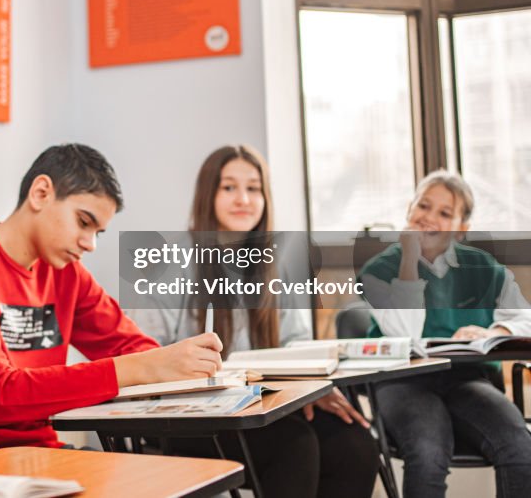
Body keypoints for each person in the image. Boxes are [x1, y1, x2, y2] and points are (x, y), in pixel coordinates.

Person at [0, 144, 224, 470]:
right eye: (84, 222)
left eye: (97, 232)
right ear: (40, 193)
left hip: (42, 454)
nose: (90, 243)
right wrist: (141, 367)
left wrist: (183, 365)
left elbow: (132, 347)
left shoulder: (66, 274)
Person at [129, 145, 379, 498]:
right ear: (208, 194)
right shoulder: (172, 261)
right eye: (229, 187)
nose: (243, 199)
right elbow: (145, 354)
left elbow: (295, 346)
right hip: (186, 417)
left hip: (260, 407)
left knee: (355, 446)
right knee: (294, 445)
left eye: (254, 188)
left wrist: (314, 389)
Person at [360, 170, 531, 498]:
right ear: (409, 210)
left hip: (466, 379)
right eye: (423, 206)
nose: (429, 219)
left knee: (519, 446)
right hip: (402, 381)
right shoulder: (376, 271)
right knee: (427, 451)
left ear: (461, 228)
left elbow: (526, 319)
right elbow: (407, 332)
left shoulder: (484, 267)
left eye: (445, 213)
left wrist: (493, 330)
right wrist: (408, 259)